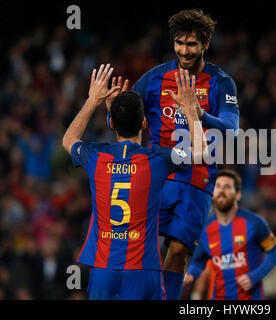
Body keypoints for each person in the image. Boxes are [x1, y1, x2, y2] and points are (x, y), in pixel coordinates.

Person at [108, 9, 240, 300]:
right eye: (179, 43)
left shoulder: (221, 82)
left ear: (205, 44)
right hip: (159, 174)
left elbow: (232, 131)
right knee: (141, 244)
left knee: (179, 252)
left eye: (192, 44)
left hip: (197, 178)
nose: (184, 50)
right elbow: (122, 118)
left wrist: (198, 113)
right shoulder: (155, 78)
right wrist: (111, 110)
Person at [62, 63, 207, 299]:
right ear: (144, 123)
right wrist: (190, 110)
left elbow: (69, 139)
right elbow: (200, 151)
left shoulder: (95, 157)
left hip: (103, 270)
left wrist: (93, 100)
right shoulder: (158, 160)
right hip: (143, 271)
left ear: (112, 123)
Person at [184, 169, 276, 300]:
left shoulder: (255, 223)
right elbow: (198, 261)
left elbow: (275, 252)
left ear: (238, 195)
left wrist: (254, 277)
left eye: (227, 187)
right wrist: (191, 274)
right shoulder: (205, 229)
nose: (222, 191)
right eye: (217, 187)